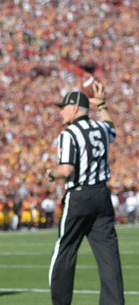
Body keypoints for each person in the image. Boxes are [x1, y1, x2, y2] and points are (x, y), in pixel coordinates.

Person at [46, 83, 124, 305]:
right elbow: (111, 129)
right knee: (108, 254)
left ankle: (60, 302)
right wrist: (102, 105)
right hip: (102, 196)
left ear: (73, 107)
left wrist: (51, 173)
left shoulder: (69, 134)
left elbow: (67, 169)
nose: (60, 111)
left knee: (65, 249)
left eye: (63, 107)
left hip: (79, 196)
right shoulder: (101, 128)